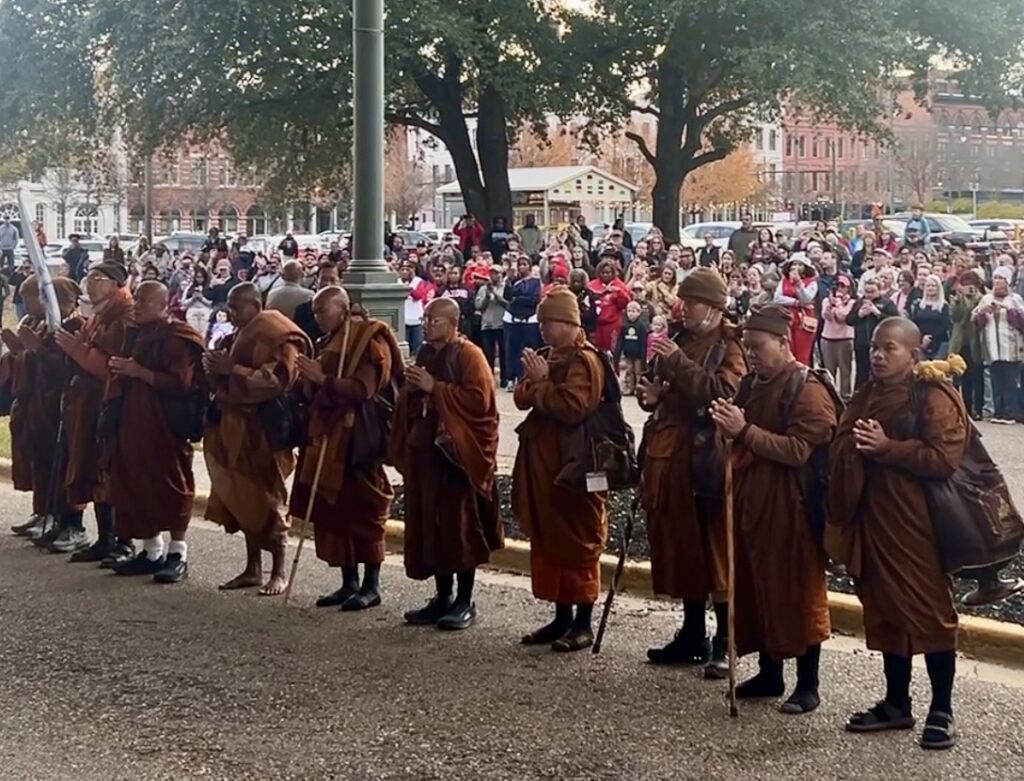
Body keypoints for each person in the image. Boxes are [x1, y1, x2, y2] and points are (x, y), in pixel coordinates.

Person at [827, 317, 966, 750]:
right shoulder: (867, 393)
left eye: (890, 348)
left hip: (915, 522)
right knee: (885, 609)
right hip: (872, 517)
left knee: (928, 612)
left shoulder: (931, 394)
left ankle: (941, 707)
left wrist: (888, 449)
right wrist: (852, 446)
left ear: (913, 355)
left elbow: (944, 458)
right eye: (875, 348)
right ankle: (896, 702)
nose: (878, 355)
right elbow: (840, 441)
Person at [709, 304, 836, 715]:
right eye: (748, 348)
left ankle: (808, 684)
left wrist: (744, 430)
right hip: (752, 503)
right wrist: (727, 432)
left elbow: (799, 450)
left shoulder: (808, 388)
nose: (752, 357)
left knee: (796, 591)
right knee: (757, 584)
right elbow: (738, 437)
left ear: (784, 343)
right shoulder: (750, 385)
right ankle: (769, 673)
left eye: (759, 347)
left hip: (793, 508)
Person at [639, 268, 747, 674]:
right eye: (682, 301)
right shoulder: (679, 341)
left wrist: (679, 365)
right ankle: (691, 633)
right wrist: (652, 395)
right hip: (674, 456)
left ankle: (725, 640)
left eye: (693, 302)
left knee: (716, 550)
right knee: (684, 547)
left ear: (715, 307)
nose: (683, 309)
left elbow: (722, 395)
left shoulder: (729, 347)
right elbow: (662, 390)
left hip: (709, 459)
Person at [389, 298, 503, 630]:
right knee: (431, 524)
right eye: (425, 319)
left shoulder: (469, 355)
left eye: (434, 321)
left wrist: (434, 388)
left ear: (454, 324)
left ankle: (465, 600)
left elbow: (480, 403)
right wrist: (412, 393)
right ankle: (441, 597)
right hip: (427, 455)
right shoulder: (426, 353)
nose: (426, 325)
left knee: (460, 526)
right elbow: (412, 398)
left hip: (456, 457)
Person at [291, 286, 403, 610]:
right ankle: (348, 582)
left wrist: (322, 378)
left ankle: (371, 585)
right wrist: (310, 382)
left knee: (364, 510)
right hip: (329, 437)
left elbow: (363, 389)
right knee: (335, 510)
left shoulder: (369, 340)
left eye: (322, 312)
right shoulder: (328, 342)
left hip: (358, 439)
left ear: (342, 309)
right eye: (314, 313)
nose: (317, 319)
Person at [511, 287, 608, 652]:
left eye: (550, 323)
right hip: (544, 464)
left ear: (570, 323)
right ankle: (561, 617)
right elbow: (520, 397)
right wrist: (535, 381)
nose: (543, 330)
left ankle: (582, 623)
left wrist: (541, 383)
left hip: (575, 466)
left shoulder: (585, 360)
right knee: (550, 537)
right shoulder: (546, 356)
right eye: (541, 323)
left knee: (577, 538)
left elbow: (573, 408)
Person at [202, 283, 312, 596]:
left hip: (265, 428)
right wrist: (213, 369)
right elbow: (223, 379)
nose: (231, 313)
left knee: (268, 496)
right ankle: (252, 568)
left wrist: (232, 368)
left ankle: (279, 570)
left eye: (238, 307)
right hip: (234, 426)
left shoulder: (278, 335)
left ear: (256, 304)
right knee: (243, 497)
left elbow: (275, 381)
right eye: (230, 307)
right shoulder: (234, 336)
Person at [103, 281, 206, 582]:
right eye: (137, 300)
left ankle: (178, 553)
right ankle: (150, 551)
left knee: (170, 483)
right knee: (134, 481)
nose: (137, 305)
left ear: (164, 305)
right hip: (132, 421)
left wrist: (140, 372)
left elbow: (183, 384)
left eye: (145, 301)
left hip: (165, 425)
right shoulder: (136, 333)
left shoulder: (178, 337)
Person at [49, 262, 135, 561]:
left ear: (116, 284)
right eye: (89, 277)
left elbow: (111, 366)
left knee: (110, 470)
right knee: (93, 468)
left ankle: (122, 541)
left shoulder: (125, 317)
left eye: (98, 279)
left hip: (109, 403)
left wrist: (78, 350)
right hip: (84, 402)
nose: (91, 284)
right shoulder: (98, 316)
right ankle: (105, 537)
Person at [4, 275, 83, 538]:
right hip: (34, 400)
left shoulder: (72, 325)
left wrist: (36, 349)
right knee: (38, 458)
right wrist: (17, 349)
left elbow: (65, 365)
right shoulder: (35, 323)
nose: (28, 304)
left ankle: (67, 520)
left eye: (33, 298)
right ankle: (43, 510)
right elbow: (27, 361)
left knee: (60, 461)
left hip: (56, 403)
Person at [972, 267, 1024, 424]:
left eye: (1001, 279)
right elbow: (975, 320)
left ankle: (1010, 411)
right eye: (995, 278)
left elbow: (1021, 321)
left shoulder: (1015, 299)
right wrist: (983, 312)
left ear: (1007, 282)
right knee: (995, 378)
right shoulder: (986, 299)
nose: (998, 282)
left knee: (1010, 379)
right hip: (992, 346)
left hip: (1011, 346)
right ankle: (998, 411)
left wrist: (1008, 310)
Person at [847, 280, 900, 390]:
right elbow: (849, 320)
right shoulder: (859, 302)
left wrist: (877, 313)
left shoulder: (886, 303)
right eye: (867, 291)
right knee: (861, 372)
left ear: (879, 291)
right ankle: (859, 395)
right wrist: (859, 315)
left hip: (880, 345)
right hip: (861, 343)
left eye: (872, 291)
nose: (869, 294)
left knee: (879, 372)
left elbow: (895, 320)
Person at [949, 272, 985, 419]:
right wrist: (959, 299)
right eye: (965, 283)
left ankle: (979, 408)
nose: (968, 287)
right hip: (960, 341)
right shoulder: (957, 298)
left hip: (976, 340)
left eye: (971, 283)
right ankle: (966, 408)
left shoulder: (982, 298)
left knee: (978, 376)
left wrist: (975, 297)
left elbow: (978, 313)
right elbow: (956, 317)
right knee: (964, 377)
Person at [502, 257, 542, 389]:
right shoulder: (513, 281)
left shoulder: (535, 282)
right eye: (520, 265)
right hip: (512, 320)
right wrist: (508, 280)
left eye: (525, 264)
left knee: (529, 350)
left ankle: (526, 377)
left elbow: (534, 299)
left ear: (530, 266)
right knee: (511, 350)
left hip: (529, 320)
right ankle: (510, 378)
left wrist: (517, 299)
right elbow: (507, 296)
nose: (522, 267)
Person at [774, 255, 819, 366]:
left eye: (800, 265)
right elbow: (777, 298)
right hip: (786, 319)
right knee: (788, 352)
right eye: (794, 264)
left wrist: (799, 284)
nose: (796, 267)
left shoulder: (811, 282)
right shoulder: (784, 281)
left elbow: (806, 298)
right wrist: (796, 303)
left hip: (804, 322)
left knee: (802, 355)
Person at [821, 275, 856, 400]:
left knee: (845, 370)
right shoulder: (826, 301)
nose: (839, 289)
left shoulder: (852, 302)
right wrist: (831, 306)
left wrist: (839, 304)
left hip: (844, 339)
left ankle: (845, 396)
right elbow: (826, 317)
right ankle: (830, 396)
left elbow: (843, 317)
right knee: (829, 370)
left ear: (849, 288)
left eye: (843, 286)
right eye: (837, 286)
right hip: (828, 338)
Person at [588, 259, 631, 353]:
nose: (605, 275)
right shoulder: (591, 285)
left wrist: (618, 293)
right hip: (595, 326)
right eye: (603, 273)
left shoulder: (620, 286)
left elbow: (625, 304)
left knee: (612, 352)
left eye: (608, 272)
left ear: (613, 273)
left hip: (613, 325)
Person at [293, 262, 341, 343]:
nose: (327, 283)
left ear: (340, 282)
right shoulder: (302, 311)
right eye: (323, 279)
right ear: (316, 281)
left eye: (332, 280)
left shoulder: (346, 310)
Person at [475, 264, 507, 384]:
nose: (496, 275)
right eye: (493, 273)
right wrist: (487, 298)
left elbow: (507, 304)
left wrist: (496, 295)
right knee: (488, 353)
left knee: (504, 353)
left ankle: (505, 379)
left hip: (502, 323)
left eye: (498, 273)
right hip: (487, 324)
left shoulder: (506, 287)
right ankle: (489, 378)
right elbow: (479, 307)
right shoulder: (483, 289)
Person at [909, 275, 951, 360]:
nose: (930, 288)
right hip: (921, 342)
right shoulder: (919, 304)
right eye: (928, 286)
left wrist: (930, 337)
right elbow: (914, 323)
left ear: (938, 288)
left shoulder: (944, 305)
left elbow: (945, 324)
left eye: (933, 286)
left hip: (940, 342)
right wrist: (922, 338)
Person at [399, 259, 430, 354]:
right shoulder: (397, 281)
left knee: (417, 345)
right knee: (404, 345)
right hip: (403, 318)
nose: (405, 272)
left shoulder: (419, 281)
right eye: (403, 269)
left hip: (416, 318)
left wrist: (409, 287)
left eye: (408, 269)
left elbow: (418, 295)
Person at [617, 301, 648, 395]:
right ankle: (629, 387)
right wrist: (619, 351)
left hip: (638, 354)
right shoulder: (624, 325)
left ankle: (637, 388)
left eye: (634, 311)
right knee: (629, 371)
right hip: (628, 353)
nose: (631, 313)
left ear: (639, 313)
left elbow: (643, 342)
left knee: (637, 372)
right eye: (629, 311)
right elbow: (621, 340)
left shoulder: (641, 326)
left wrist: (643, 355)